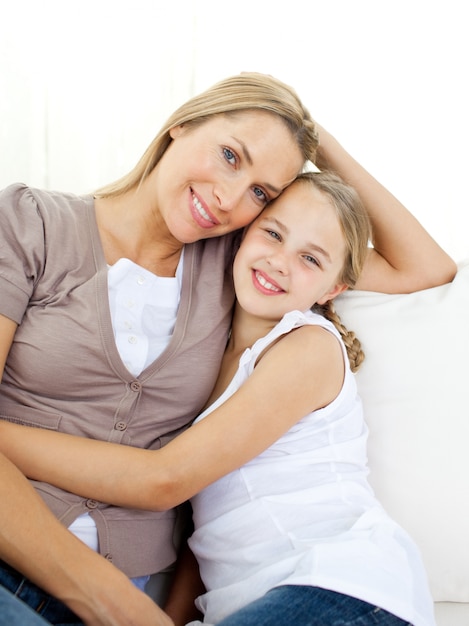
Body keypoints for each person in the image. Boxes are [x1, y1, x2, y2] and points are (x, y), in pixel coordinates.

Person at [0, 136, 457, 624]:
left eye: (311, 259)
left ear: (336, 286)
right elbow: (207, 531)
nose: (281, 261)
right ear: (244, 233)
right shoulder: (207, 359)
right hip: (251, 601)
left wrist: (314, 141)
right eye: (274, 234)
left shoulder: (308, 348)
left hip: (341, 583)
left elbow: (164, 480)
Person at [0, 71, 319, 625]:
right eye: (229, 155)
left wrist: (309, 133)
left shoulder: (245, 269)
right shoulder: (32, 224)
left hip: (136, 589)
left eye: (261, 193)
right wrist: (106, 598)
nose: (227, 198)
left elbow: (420, 268)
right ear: (181, 124)